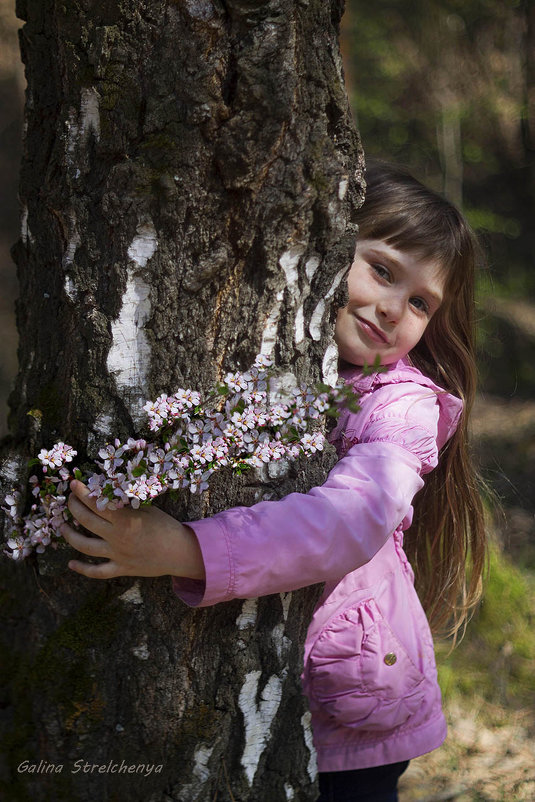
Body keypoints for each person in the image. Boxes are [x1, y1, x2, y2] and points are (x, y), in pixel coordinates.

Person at [61, 162, 487, 802]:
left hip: (356, 715)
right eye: (381, 269)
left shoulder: (402, 408)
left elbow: (351, 520)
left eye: (422, 302)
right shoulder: (290, 358)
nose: (395, 307)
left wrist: (184, 548)